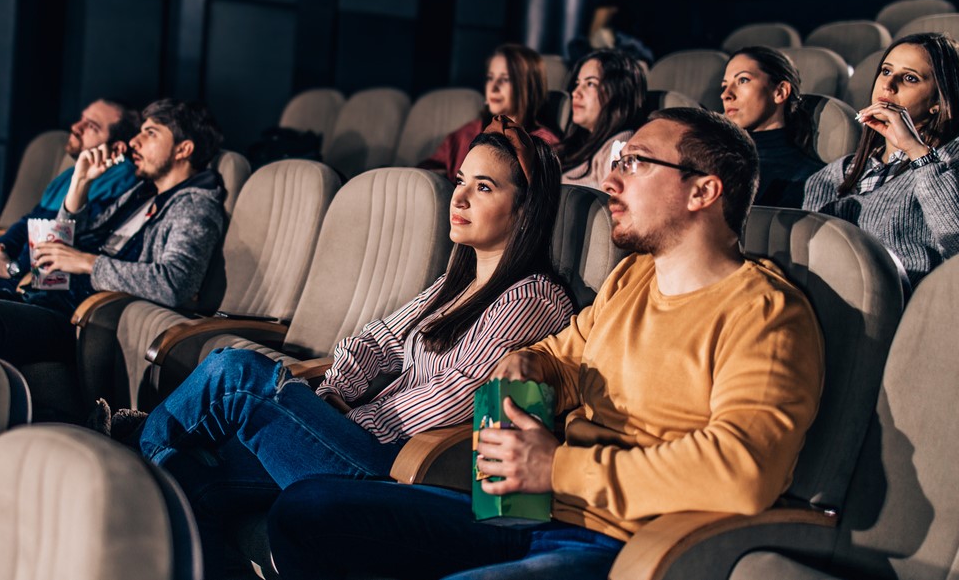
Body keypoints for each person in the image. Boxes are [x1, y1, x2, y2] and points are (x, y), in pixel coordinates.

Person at [266, 107, 825, 580]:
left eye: (636, 164)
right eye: (617, 162)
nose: (611, 180)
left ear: (703, 191)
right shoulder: (630, 282)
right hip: (530, 513)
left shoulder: (765, 313)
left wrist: (557, 468)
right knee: (306, 509)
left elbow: (741, 471)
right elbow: (564, 353)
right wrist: (527, 361)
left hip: (626, 546)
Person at [136, 117, 575, 578]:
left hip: (398, 467)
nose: (458, 198)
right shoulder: (456, 282)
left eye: (483, 188)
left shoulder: (533, 297)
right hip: (359, 438)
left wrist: (350, 417)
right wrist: (331, 395)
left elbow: (459, 393)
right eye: (460, 180)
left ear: (525, 210)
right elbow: (375, 339)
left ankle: (132, 449)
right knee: (188, 485)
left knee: (237, 374)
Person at [0, 99, 227, 366]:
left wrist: (85, 262)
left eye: (150, 134)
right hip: (45, 294)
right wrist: (80, 182)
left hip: (82, 321)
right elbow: (65, 242)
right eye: (138, 132)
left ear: (183, 150)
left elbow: (174, 283)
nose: (134, 142)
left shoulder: (196, 206)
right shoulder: (142, 194)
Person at [803, 32, 959, 285]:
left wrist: (915, 150)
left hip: (912, 306)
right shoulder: (831, 176)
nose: (888, 85)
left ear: (938, 102)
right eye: (886, 71)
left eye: (910, 78)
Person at [0, 98, 140, 300]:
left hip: (27, 283)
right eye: (81, 119)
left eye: (91, 126)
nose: (76, 127)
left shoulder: (122, 181)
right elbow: (30, 220)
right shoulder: (70, 175)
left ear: (117, 149)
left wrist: (11, 268)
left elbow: (70, 237)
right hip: (6, 264)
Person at [420, 44, 561, 182]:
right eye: (490, 78)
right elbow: (427, 172)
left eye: (505, 79)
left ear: (528, 87)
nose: (493, 88)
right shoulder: (466, 133)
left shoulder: (544, 143)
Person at [720, 46, 823, 208]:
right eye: (724, 85)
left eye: (743, 80)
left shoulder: (808, 178)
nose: (726, 94)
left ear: (780, 92)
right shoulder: (712, 161)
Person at [556, 49, 646, 190]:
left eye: (590, 84)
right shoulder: (578, 144)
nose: (575, 93)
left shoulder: (619, 146)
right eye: (577, 83)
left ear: (618, 92)